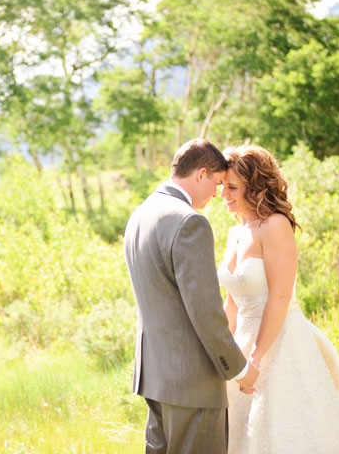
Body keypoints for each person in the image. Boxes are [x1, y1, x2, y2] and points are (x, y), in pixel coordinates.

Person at [217, 144, 339, 453]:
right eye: (222, 186)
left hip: (278, 342)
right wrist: (222, 352)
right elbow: (231, 303)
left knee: (279, 429)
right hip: (241, 344)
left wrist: (255, 359)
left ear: (253, 186)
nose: (223, 194)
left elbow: (280, 298)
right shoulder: (235, 232)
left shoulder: (275, 225)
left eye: (232, 187)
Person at [124, 138, 259, 454]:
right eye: (215, 182)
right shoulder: (189, 222)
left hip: (155, 374)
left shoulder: (140, 214)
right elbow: (206, 312)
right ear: (201, 174)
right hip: (192, 383)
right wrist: (239, 368)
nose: (216, 193)